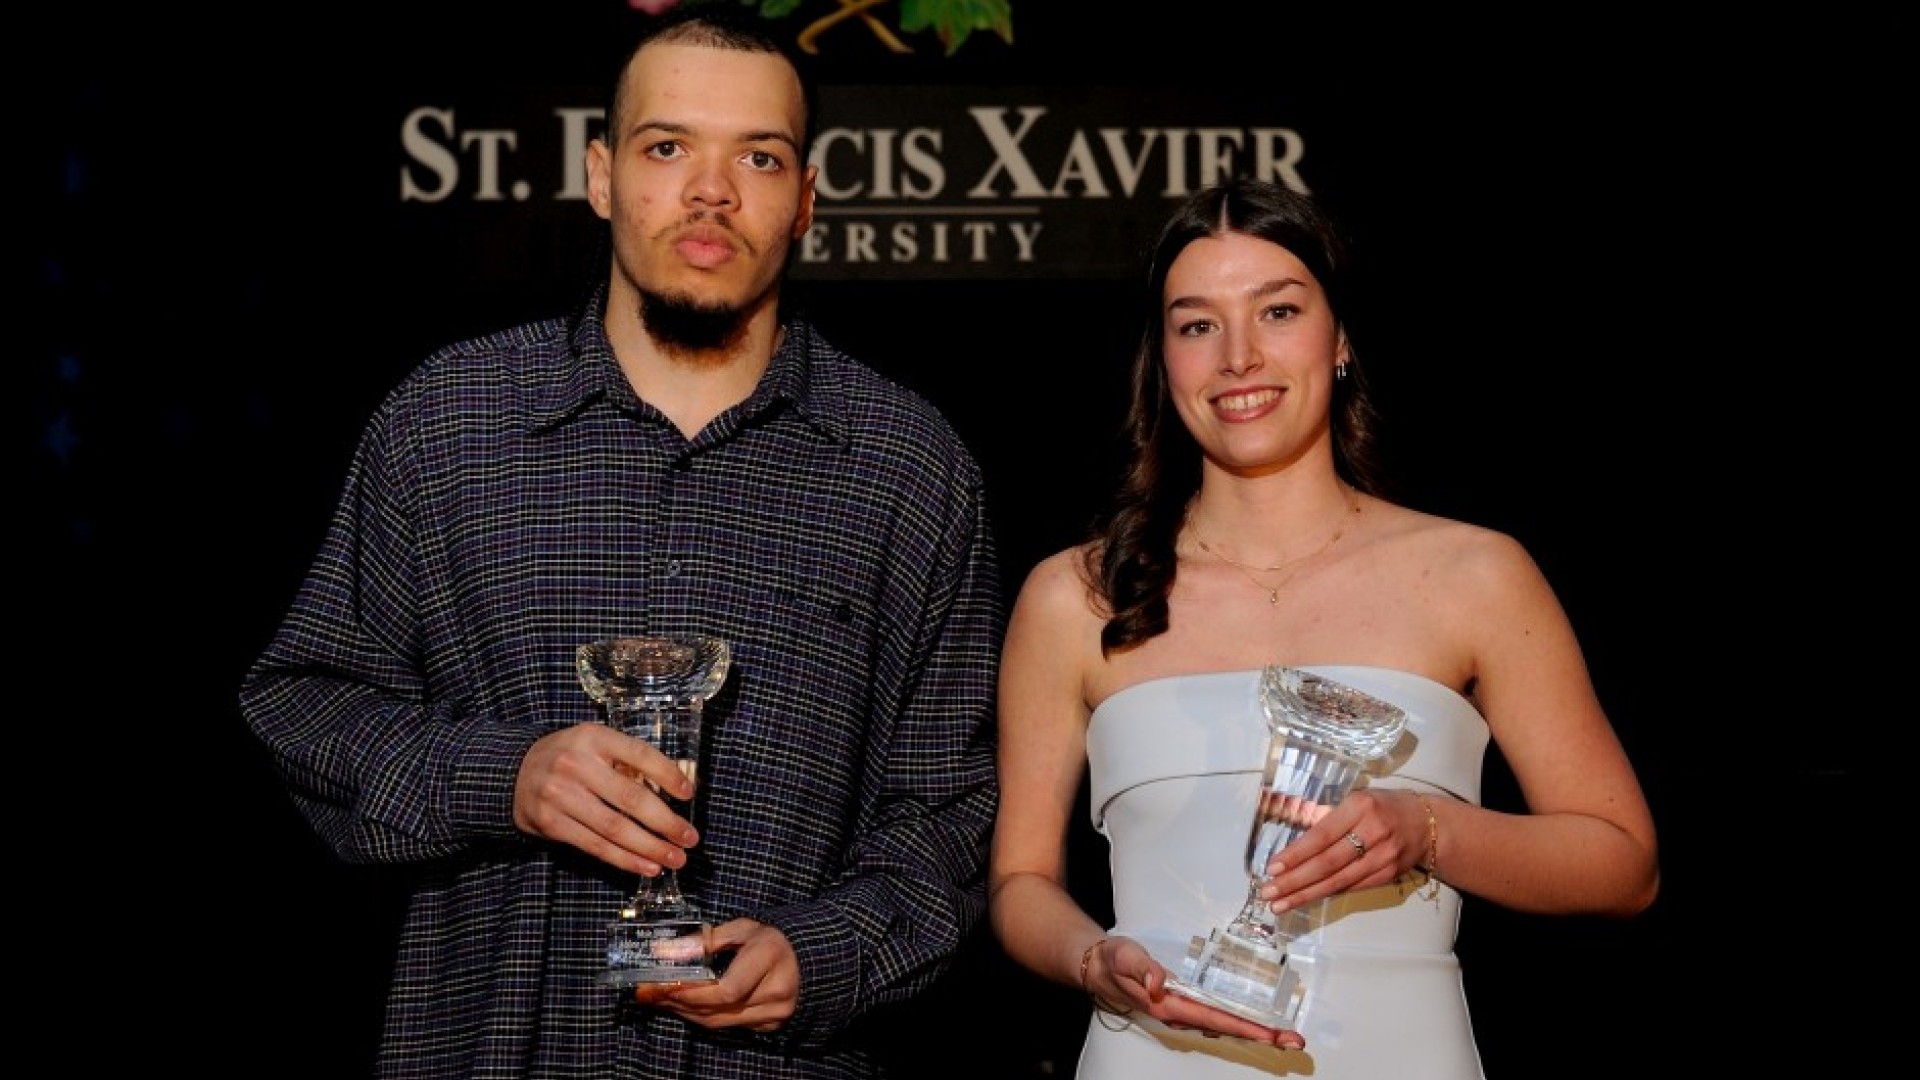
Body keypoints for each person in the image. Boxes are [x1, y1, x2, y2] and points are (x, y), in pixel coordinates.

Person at [238, 8, 1004, 1078]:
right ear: (602, 177)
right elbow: (306, 707)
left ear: (805, 200)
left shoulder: (908, 466)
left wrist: (826, 953)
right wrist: (505, 775)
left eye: (759, 157)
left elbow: (950, 813)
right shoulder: (447, 421)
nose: (711, 191)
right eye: (668, 147)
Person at [988, 177, 1659, 1077]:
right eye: (1198, 325)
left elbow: (1623, 864)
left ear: (1338, 337)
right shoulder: (1075, 595)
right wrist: (1090, 959)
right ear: (1163, 359)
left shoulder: (1476, 575)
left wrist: (1429, 831)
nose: (1238, 356)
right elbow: (1020, 882)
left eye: (1278, 311)